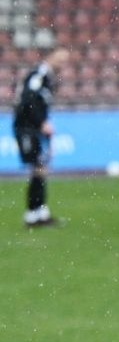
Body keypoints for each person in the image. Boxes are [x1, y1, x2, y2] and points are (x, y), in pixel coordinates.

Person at [14, 45, 70, 228]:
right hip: (27, 128)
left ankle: (39, 212)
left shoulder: (48, 78)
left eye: (65, 61)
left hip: (34, 128)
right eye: (61, 59)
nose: (63, 64)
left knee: (41, 168)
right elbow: (28, 99)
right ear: (50, 56)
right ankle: (33, 214)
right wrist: (41, 123)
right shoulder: (38, 75)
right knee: (38, 168)